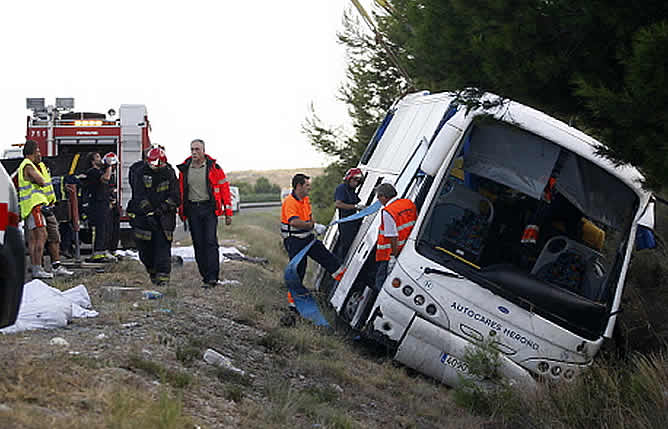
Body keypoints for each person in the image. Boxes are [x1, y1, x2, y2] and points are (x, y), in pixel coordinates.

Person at [281, 173, 346, 307]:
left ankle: (345, 284)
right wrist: (313, 226)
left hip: (307, 238)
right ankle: (293, 306)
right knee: (298, 271)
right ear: (299, 186)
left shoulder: (305, 200)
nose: (309, 188)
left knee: (328, 258)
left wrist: (314, 227)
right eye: (307, 185)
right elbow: (294, 222)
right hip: (294, 241)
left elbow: (309, 218)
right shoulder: (290, 202)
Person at [177, 139, 233, 288]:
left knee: (210, 242)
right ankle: (205, 276)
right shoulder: (185, 168)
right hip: (192, 210)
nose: (194, 152)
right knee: (198, 243)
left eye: (197, 149)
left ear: (203, 150)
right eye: (192, 149)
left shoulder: (214, 167)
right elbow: (181, 191)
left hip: (209, 208)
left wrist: (228, 212)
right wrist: (181, 211)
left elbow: (224, 190)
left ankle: (213, 276)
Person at [128, 146, 180, 286]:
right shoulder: (140, 172)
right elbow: (138, 194)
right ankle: (152, 271)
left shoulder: (169, 173)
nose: (152, 166)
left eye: (155, 163)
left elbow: (175, 196)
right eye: (150, 162)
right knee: (145, 250)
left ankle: (163, 280)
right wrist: (149, 211)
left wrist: (162, 209)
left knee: (162, 248)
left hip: (164, 219)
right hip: (144, 218)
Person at [17, 140, 53, 279]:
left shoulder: (23, 166)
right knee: (41, 235)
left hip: (28, 207)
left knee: (32, 240)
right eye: (38, 151)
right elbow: (41, 181)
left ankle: (34, 267)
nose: (39, 153)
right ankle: (38, 268)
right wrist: (42, 172)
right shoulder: (28, 165)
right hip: (35, 206)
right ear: (32, 151)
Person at [374, 183, 417, 291]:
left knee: (381, 283)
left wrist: (393, 256)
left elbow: (392, 236)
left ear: (383, 197)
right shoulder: (408, 203)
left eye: (378, 197)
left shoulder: (388, 211)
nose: (379, 201)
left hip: (390, 253)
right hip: (408, 248)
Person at [35, 159, 73, 276]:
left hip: (49, 208)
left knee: (54, 237)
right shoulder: (35, 173)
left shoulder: (47, 175)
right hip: (38, 208)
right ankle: (38, 267)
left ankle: (56, 265)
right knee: (39, 239)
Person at [84, 151, 117, 262]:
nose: (100, 159)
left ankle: (103, 251)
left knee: (105, 228)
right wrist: (109, 165)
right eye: (97, 157)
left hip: (103, 202)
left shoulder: (98, 171)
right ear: (93, 161)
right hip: (96, 204)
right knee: (100, 228)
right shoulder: (93, 172)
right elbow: (105, 179)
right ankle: (97, 254)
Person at [334, 167, 365, 259]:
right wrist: (355, 207)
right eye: (355, 180)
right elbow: (338, 204)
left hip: (353, 220)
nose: (356, 183)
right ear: (349, 179)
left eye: (358, 181)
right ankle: (340, 263)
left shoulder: (351, 190)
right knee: (345, 244)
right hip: (346, 222)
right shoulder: (341, 188)